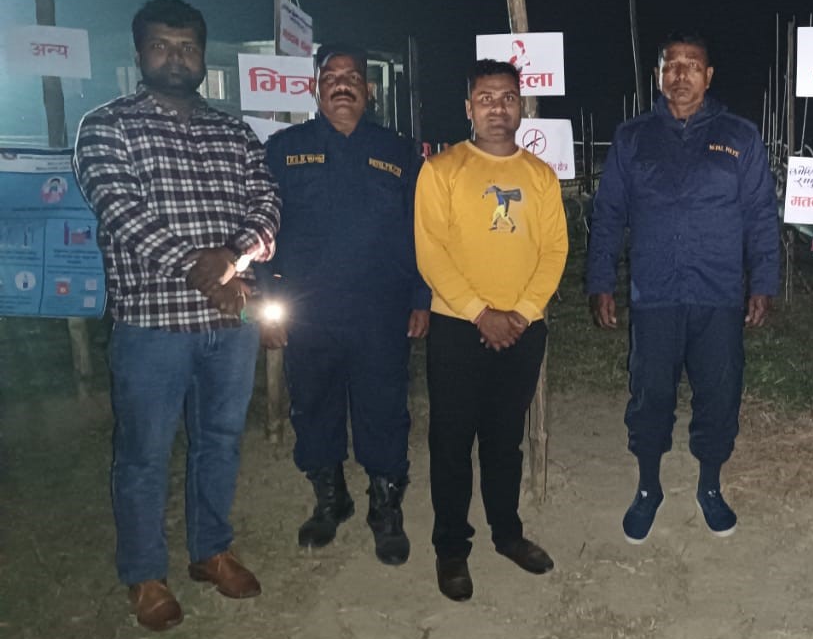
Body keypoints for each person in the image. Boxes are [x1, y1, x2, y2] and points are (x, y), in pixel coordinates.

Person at [72, 0, 280, 631]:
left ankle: (210, 551)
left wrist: (233, 259)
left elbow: (267, 207)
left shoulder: (235, 133)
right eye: (161, 46)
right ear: (139, 53)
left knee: (219, 442)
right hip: (151, 325)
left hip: (229, 325)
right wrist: (204, 269)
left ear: (202, 56)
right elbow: (122, 212)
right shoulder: (107, 127)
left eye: (187, 47)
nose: (175, 57)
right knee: (143, 454)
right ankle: (145, 575)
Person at [587, 31, 779, 544]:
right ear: (658, 75)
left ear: (708, 76)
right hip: (654, 294)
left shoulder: (739, 137)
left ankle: (710, 486)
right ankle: (648, 487)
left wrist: (763, 282)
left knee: (719, 393)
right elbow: (608, 214)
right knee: (650, 394)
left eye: (692, 66)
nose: (681, 75)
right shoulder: (633, 138)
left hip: (719, 294)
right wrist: (601, 280)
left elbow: (761, 215)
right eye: (671, 66)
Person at [259, 43, 430, 566]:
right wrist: (265, 301)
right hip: (308, 311)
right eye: (330, 76)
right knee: (314, 405)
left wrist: (422, 296)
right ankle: (330, 499)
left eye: (352, 77)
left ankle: (385, 506)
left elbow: (419, 230)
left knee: (384, 408)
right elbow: (262, 227)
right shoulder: (284, 149)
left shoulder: (399, 151)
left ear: (368, 89)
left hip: (381, 310)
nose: (341, 85)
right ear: (315, 88)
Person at [414, 58, 567, 602]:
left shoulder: (540, 175)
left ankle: (508, 534)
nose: (497, 108)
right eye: (485, 98)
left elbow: (554, 251)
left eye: (507, 98)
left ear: (520, 106)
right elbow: (431, 252)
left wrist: (520, 313)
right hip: (459, 327)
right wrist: (482, 313)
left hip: (523, 330)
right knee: (451, 441)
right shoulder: (441, 170)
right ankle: (452, 548)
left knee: (505, 440)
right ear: (468, 108)